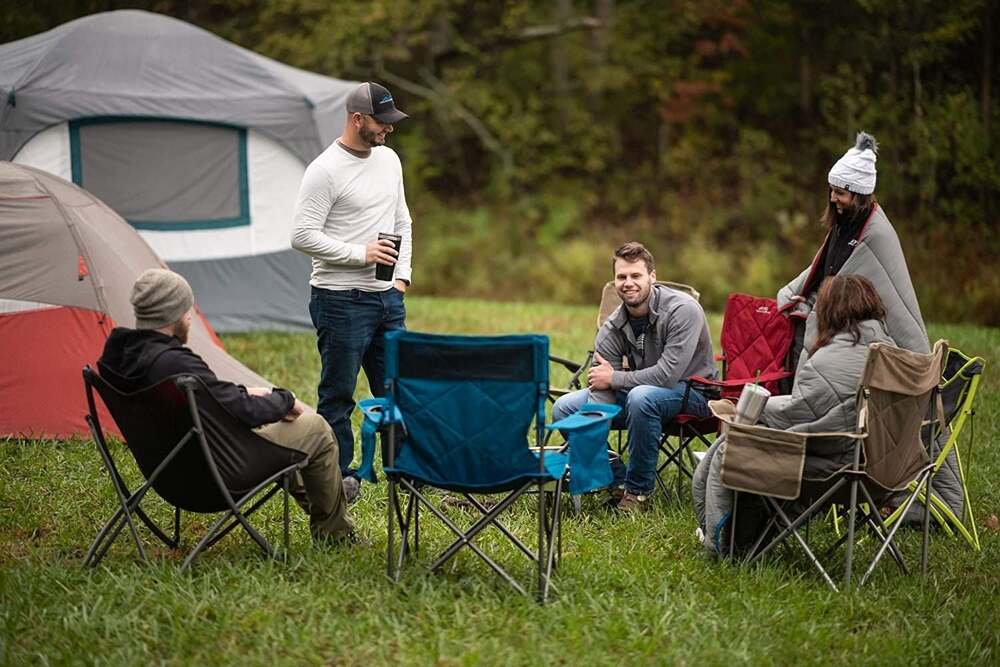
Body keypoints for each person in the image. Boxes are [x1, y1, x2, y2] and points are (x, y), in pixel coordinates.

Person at [99, 269, 356, 544]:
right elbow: (241, 411)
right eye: (188, 310)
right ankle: (335, 533)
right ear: (176, 314)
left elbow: (211, 398)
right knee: (314, 428)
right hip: (214, 479)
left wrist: (247, 392)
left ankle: (330, 493)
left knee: (278, 429)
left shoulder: (119, 357)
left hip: (166, 476)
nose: (190, 317)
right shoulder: (176, 364)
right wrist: (285, 400)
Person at [693, 275, 893, 555]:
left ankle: (723, 546)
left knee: (731, 449)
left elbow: (796, 411)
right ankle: (748, 540)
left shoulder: (832, 359)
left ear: (830, 309)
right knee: (737, 443)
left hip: (838, 464)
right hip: (883, 465)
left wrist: (751, 407)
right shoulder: (889, 350)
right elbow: (815, 404)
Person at [291, 81, 413, 503]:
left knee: (396, 389)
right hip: (339, 299)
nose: (389, 130)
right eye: (382, 122)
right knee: (338, 395)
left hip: (387, 299)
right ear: (357, 119)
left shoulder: (389, 161)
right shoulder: (324, 170)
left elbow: (402, 220)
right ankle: (336, 479)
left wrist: (402, 277)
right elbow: (302, 235)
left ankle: (405, 472)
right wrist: (360, 254)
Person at [552, 242, 717, 511]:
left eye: (636, 275)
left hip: (694, 393)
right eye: (622, 277)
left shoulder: (683, 310)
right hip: (642, 392)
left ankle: (637, 494)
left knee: (642, 398)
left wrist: (615, 379)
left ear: (652, 276)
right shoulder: (613, 326)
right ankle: (616, 481)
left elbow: (666, 375)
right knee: (566, 407)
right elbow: (601, 388)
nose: (628, 283)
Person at [778, 131, 928, 372]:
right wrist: (804, 292)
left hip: (855, 324)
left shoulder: (875, 233)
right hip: (834, 309)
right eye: (831, 190)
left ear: (859, 194)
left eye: (840, 193)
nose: (833, 198)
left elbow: (884, 292)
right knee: (796, 319)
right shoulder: (844, 221)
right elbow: (828, 266)